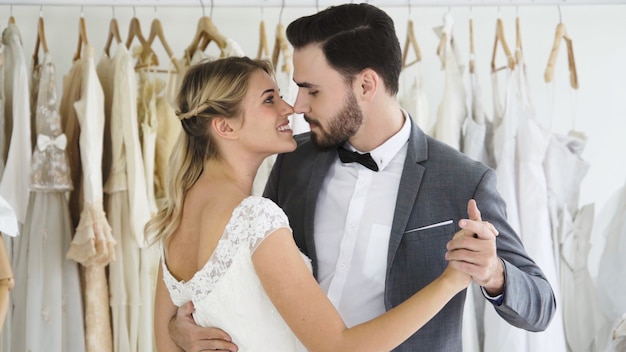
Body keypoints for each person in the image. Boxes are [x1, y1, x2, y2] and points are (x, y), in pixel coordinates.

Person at [168, 3, 557, 351]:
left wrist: (493, 273)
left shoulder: (461, 179)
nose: (298, 107)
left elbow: (541, 307)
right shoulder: (293, 161)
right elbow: (241, 272)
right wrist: (179, 330)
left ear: (366, 85)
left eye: (312, 91)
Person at [149, 56, 483, 352]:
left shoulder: (175, 217)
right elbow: (339, 347)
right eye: (269, 100)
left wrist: (178, 332)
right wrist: (450, 281)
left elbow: (165, 344)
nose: (289, 108)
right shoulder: (254, 217)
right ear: (225, 126)